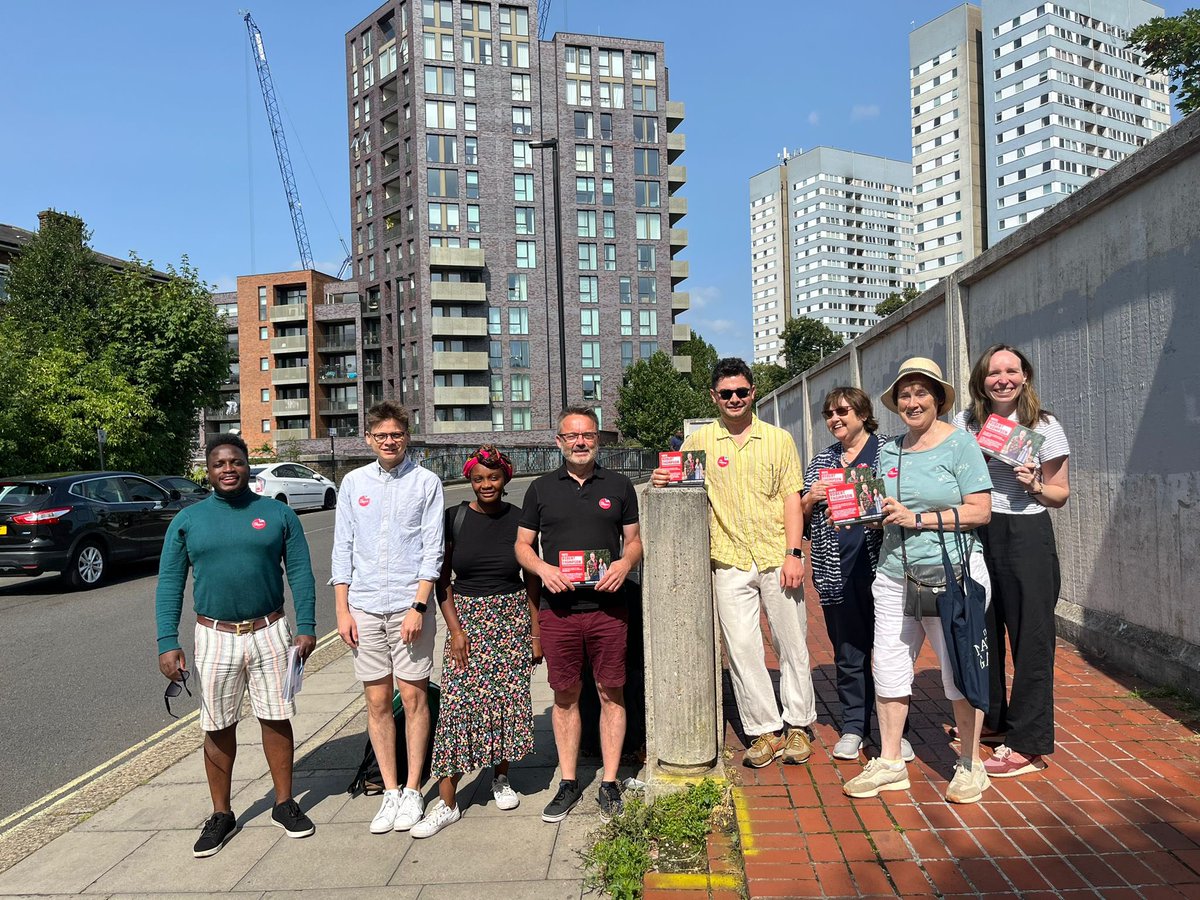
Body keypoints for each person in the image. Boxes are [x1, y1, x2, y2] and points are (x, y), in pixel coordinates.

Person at [155, 433, 317, 858]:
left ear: (249, 467)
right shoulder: (188, 522)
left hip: (270, 631)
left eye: (236, 462)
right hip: (214, 636)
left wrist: (308, 627)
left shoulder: (278, 514)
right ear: (208, 472)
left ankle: (284, 803)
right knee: (217, 724)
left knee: (276, 717)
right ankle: (221, 814)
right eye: (219, 464)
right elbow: (170, 584)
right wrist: (167, 641)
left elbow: (300, 572)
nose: (228, 469)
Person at [651, 358, 817, 769]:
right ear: (714, 397)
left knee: (791, 642)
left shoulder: (778, 440)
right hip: (727, 559)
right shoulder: (698, 444)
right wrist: (661, 480)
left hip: (776, 554)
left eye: (741, 391)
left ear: (753, 392)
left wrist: (795, 554)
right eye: (726, 393)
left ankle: (798, 724)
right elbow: (680, 484)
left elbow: (791, 501)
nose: (735, 399)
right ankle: (764, 729)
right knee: (742, 649)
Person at [841, 357, 993, 805]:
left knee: (958, 668)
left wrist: (918, 519)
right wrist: (864, 517)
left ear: (938, 398)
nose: (912, 401)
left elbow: (980, 511)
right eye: (904, 395)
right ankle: (890, 762)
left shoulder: (960, 445)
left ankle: (970, 763)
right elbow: (886, 514)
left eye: (921, 392)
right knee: (887, 665)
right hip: (893, 574)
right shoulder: (889, 451)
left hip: (954, 573)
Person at [516, 407, 643, 823]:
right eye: (572, 436)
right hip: (560, 612)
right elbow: (522, 546)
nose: (580, 442)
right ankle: (568, 782)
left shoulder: (620, 485)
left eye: (587, 434)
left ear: (598, 440)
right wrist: (543, 569)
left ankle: (609, 783)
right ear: (559, 442)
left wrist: (625, 566)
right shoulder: (539, 489)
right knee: (565, 695)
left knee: (611, 692)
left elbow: (635, 542)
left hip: (609, 609)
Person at [412, 445, 541, 838]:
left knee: (507, 701)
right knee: (457, 709)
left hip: (511, 617)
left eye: (493, 477)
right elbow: (441, 581)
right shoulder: (455, 519)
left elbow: (532, 578)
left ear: (505, 479)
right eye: (478, 478)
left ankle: (500, 777)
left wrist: (536, 634)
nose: (486, 484)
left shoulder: (521, 520)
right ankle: (447, 802)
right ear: (470, 480)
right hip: (466, 622)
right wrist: (455, 631)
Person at [953, 345, 1070, 778]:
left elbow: (1060, 494)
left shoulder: (1045, 426)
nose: (1002, 378)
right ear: (980, 379)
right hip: (978, 528)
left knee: (1031, 639)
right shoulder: (964, 424)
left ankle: (1028, 744)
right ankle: (995, 721)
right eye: (993, 372)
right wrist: (972, 462)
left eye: (1011, 371)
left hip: (1026, 534)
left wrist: (1035, 484)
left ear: (1025, 377)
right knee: (982, 631)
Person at [331, 401, 444, 835]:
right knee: (377, 702)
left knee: (413, 699)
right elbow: (343, 549)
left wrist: (419, 605)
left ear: (407, 436)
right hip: (364, 605)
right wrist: (342, 610)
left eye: (396, 434)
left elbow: (432, 549)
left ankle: (414, 788)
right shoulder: (353, 483)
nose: (389, 441)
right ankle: (391, 790)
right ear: (369, 439)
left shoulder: (426, 482)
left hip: (407, 606)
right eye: (381, 436)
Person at [801, 388, 910, 762]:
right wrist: (811, 496)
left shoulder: (888, 453)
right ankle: (853, 726)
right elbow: (799, 517)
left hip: (885, 567)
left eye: (843, 411)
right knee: (848, 653)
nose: (835, 419)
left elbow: (902, 501)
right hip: (836, 571)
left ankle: (896, 731)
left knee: (891, 653)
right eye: (829, 413)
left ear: (863, 413)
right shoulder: (820, 461)